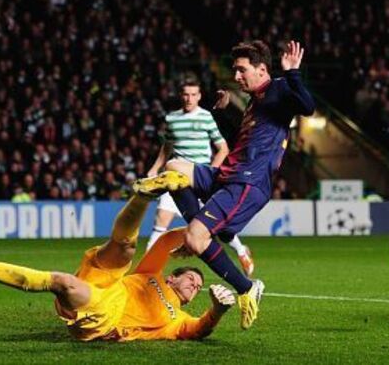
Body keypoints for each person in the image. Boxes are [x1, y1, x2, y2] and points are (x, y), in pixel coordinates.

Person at [134, 39, 315, 330]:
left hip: (247, 182)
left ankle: (247, 287)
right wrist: (222, 112)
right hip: (226, 174)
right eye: (235, 70)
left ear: (261, 69)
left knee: (196, 238)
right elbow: (241, 142)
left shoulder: (279, 88)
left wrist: (292, 72)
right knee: (174, 168)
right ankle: (201, 235)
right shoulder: (254, 102)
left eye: (242, 70)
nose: (236, 76)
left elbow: (307, 106)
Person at [0, 170, 237, 341]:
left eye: (198, 287)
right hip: (109, 281)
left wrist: (217, 311)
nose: (195, 285)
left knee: (62, 282)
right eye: (191, 278)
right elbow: (165, 242)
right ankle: (143, 196)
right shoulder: (151, 274)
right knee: (125, 249)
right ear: (172, 278)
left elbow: (199, 330)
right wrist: (197, 232)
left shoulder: (176, 321)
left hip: (106, 315)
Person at [145, 80, 255, 277]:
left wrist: (211, 173)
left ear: (199, 96)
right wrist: (154, 169)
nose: (189, 99)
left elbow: (223, 148)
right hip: (176, 178)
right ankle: (147, 271)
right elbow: (167, 147)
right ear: (181, 95)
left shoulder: (206, 117)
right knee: (161, 219)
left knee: (213, 226)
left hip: (199, 179)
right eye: (186, 94)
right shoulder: (172, 119)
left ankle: (240, 250)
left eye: (193, 95)